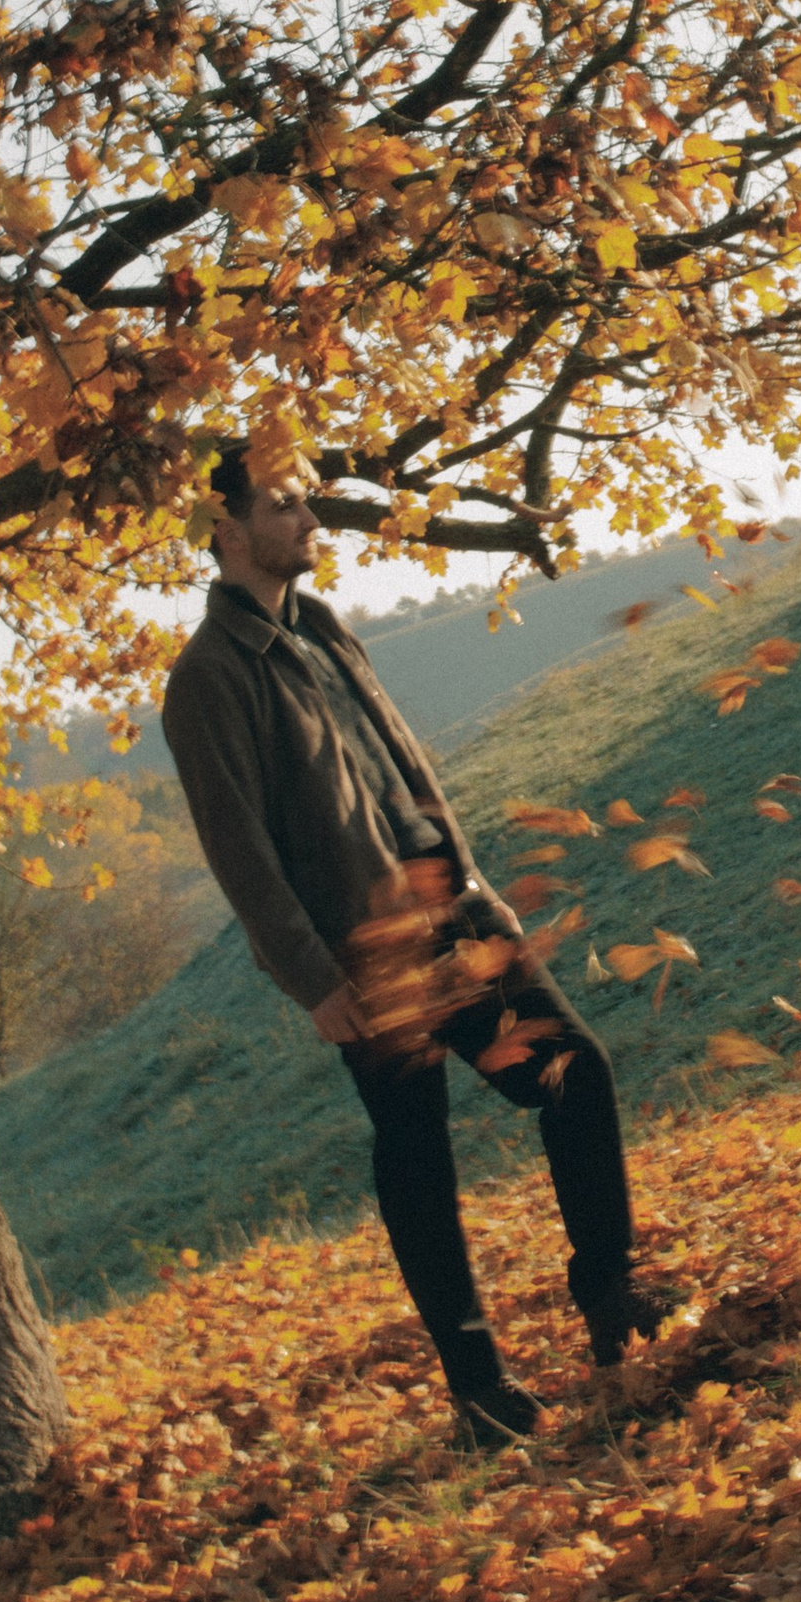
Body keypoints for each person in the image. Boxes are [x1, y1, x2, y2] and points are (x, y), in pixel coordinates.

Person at [161, 439, 659, 1440]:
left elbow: (404, 762)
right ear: (226, 530)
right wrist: (310, 978)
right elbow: (240, 849)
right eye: (285, 505)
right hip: (366, 949)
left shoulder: (324, 628)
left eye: (307, 502)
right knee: (419, 1153)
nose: (309, 521)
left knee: (573, 1074)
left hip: (448, 908)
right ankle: (479, 1389)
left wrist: (475, 888)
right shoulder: (208, 677)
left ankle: (612, 1303)